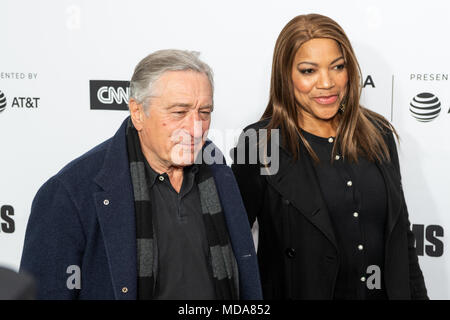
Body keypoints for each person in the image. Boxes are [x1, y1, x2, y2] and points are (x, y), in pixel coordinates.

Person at [20, 49, 262, 300]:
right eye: (179, 112)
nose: (196, 127)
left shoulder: (219, 173)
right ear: (137, 113)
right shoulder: (70, 193)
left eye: (205, 112)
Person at [231, 14, 428, 300]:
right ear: (286, 76)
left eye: (337, 67)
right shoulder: (260, 143)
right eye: (309, 71)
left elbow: (401, 239)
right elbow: (233, 244)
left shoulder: (378, 132)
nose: (327, 83)